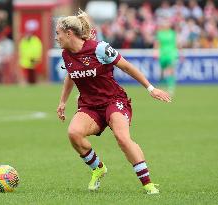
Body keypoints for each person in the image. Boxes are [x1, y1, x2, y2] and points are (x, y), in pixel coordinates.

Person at [56, 10, 171, 194]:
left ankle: (148, 184)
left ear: (69, 33)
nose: (56, 37)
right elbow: (70, 75)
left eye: (58, 33)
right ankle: (98, 168)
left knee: (123, 138)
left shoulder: (99, 48)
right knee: (74, 133)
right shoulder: (66, 54)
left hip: (113, 101)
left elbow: (127, 67)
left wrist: (151, 88)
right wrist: (63, 102)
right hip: (89, 106)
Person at [155, 19, 179, 96]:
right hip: (163, 54)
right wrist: (156, 52)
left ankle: (171, 88)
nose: (166, 25)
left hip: (171, 54)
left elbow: (176, 43)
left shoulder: (172, 33)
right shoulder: (160, 33)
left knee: (170, 70)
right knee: (162, 72)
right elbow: (157, 44)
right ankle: (162, 86)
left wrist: (180, 53)